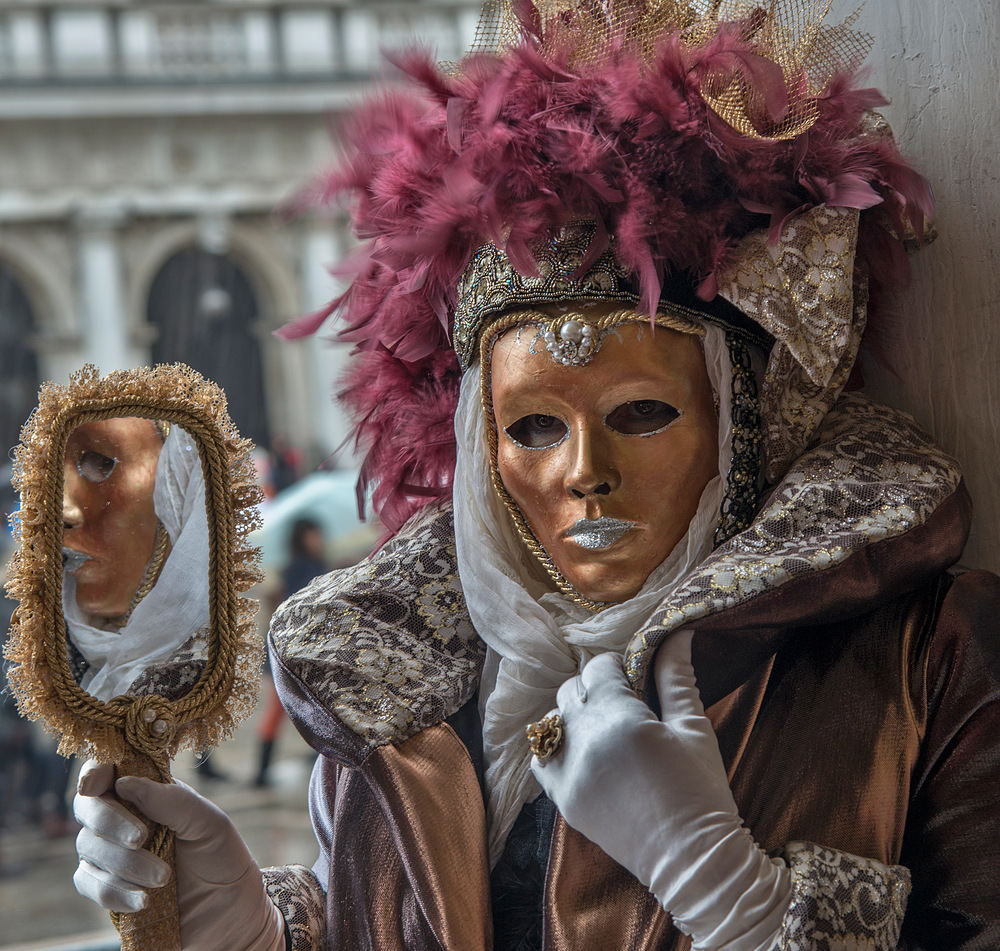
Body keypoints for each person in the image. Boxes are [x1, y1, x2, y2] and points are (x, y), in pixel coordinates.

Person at [70, 2, 1000, 949]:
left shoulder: (925, 660)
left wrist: (745, 902)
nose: (584, 474)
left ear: (740, 428)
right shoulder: (398, 695)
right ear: (482, 451)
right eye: (534, 427)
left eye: (642, 413)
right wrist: (259, 932)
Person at [63, 420, 210, 701]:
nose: (64, 513)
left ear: (178, 494)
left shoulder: (223, 672)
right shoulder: (58, 671)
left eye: (100, 463)